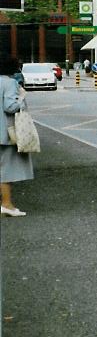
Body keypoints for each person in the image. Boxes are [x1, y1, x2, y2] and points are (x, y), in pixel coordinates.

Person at [1, 52, 33, 217]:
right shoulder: (10, 83)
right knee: (6, 171)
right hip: (4, 134)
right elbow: (10, 107)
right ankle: (6, 205)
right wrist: (21, 97)